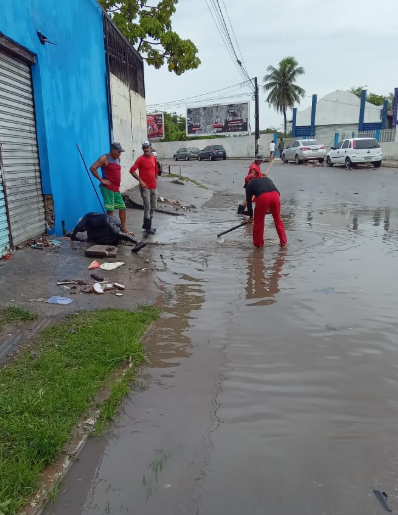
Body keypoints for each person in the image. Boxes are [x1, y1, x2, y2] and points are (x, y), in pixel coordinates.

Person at [89, 142, 131, 234]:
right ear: (113, 151)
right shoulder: (105, 158)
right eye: (119, 152)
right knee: (110, 210)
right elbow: (93, 168)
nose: (120, 154)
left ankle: (124, 229)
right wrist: (101, 180)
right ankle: (108, 230)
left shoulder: (118, 159)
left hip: (116, 189)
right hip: (107, 188)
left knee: (122, 207)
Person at [245, 176, 287, 249]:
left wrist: (251, 217)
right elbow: (277, 192)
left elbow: (249, 203)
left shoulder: (249, 186)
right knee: (278, 219)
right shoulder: (266, 179)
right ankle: (283, 243)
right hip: (276, 196)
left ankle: (259, 245)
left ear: (248, 181)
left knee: (259, 221)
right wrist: (270, 207)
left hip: (263, 197)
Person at [69, 212, 146, 252]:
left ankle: (138, 242)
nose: (85, 230)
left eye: (84, 228)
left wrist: (72, 238)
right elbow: (91, 239)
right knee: (117, 235)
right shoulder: (92, 225)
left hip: (108, 220)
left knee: (118, 233)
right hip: (108, 222)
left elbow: (78, 226)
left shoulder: (87, 217)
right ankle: (128, 239)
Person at [130, 141, 159, 235]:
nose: (146, 149)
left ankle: (147, 225)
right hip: (145, 188)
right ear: (142, 149)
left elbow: (156, 170)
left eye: (147, 147)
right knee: (147, 207)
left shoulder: (154, 158)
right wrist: (140, 181)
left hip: (153, 187)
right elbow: (132, 170)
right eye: (144, 148)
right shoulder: (140, 159)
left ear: (151, 148)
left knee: (153, 207)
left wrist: (156, 180)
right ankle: (148, 228)